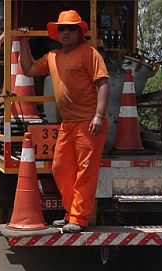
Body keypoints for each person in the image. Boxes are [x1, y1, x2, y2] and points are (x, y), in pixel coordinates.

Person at [18, 10, 110, 233]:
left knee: (85, 171)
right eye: (62, 28)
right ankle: (71, 213)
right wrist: (24, 42)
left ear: (80, 32)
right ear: (57, 34)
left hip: (89, 122)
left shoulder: (90, 54)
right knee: (60, 168)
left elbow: (103, 84)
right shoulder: (53, 56)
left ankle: (78, 218)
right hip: (68, 123)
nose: (66, 32)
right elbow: (29, 70)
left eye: (71, 28)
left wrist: (99, 115)